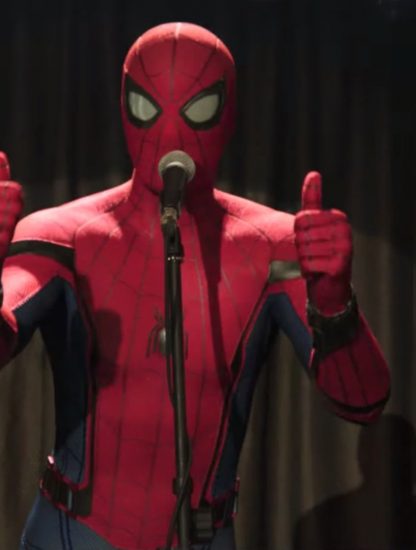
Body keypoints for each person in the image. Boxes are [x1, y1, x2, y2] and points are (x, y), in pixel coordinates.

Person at [0, 22, 390, 550]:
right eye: (146, 106)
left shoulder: (273, 247)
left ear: (228, 115)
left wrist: (335, 306)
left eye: (198, 109)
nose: (170, 135)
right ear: (124, 107)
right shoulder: (62, 238)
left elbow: (363, 403)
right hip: (71, 531)